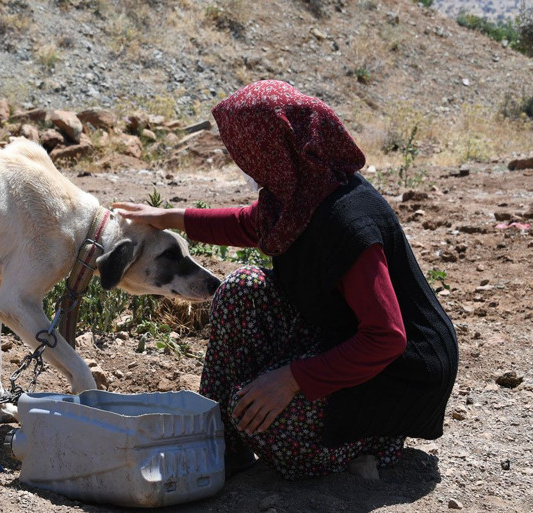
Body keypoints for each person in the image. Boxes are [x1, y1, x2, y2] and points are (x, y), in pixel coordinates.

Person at [113, 80, 458, 480]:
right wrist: (169, 217)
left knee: (278, 433)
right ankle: (220, 440)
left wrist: (293, 379)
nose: (241, 163)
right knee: (239, 290)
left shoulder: (349, 222)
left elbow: (386, 337)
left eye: (244, 152)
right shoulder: (303, 191)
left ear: (271, 150)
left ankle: (380, 439)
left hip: (400, 371)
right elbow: (250, 223)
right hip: (340, 336)